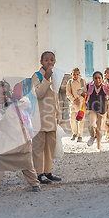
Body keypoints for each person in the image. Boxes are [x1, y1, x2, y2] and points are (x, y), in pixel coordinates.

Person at [0, 81, 41, 195]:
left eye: (4, 93)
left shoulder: (16, 103)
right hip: (3, 139)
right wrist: (2, 110)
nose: (0, 96)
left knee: (26, 162)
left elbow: (27, 103)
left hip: (19, 138)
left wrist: (14, 98)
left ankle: (35, 183)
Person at [31, 51, 61, 184]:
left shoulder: (56, 76)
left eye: (52, 60)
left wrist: (58, 114)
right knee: (38, 147)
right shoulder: (36, 76)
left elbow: (56, 97)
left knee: (50, 146)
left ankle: (48, 171)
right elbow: (38, 94)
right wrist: (46, 79)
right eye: (47, 60)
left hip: (51, 118)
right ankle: (39, 173)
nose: (50, 62)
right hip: (39, 117)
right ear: (41, 62)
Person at [79, 71, 109, 151]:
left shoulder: (105, 87)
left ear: (102, 79)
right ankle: (93, 135)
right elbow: (79, 91)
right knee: (91, 125)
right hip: (92, 109)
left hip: (102, 110)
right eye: (95, 78)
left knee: (100, 129)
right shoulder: (89, 86)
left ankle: (98, 146)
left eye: (99, 78)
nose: (97, 80)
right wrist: (83, 93)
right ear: (93, 79)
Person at [66, 68, 86, 142]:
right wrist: (74, 100)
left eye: (77, 74)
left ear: (79, 74)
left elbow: (85, 92)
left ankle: (80, 135)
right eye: (74, 74)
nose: (75, 76)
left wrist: (79, 99)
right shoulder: (69, 82)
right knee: (72, 117)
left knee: (81, 118)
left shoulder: (82, 81)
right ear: (71, 74)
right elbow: (68, 93)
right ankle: (74, 132)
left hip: (81, 102)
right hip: (73, 102)